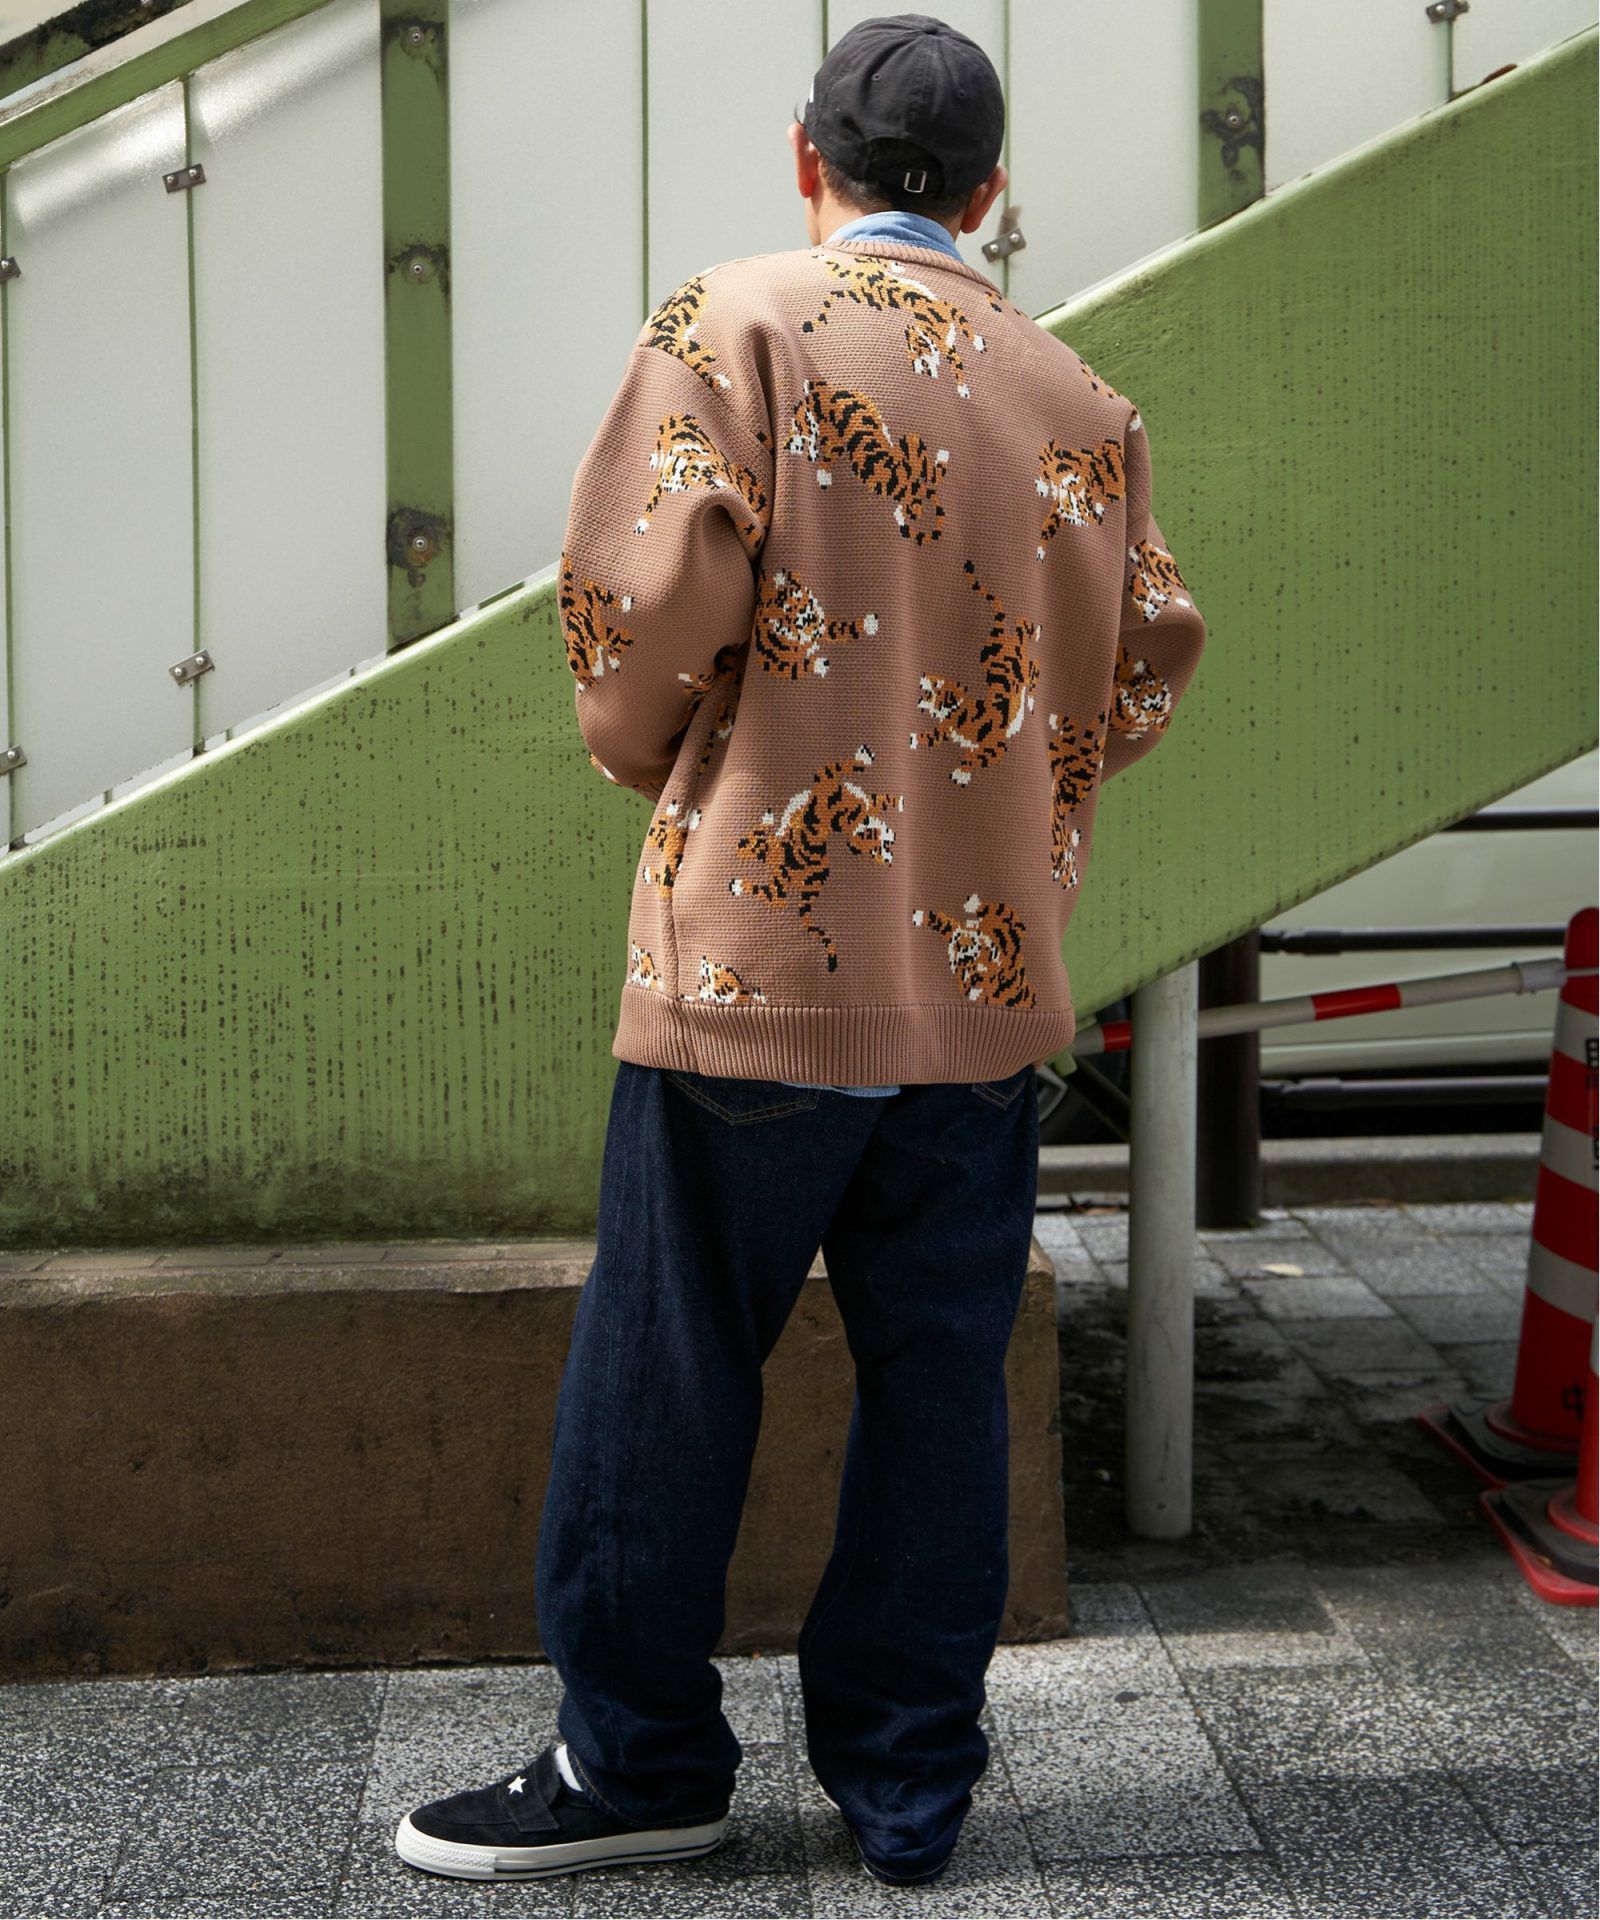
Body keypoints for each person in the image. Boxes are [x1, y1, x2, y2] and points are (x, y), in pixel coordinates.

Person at [396, 10, 1206, 1891]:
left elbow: (637, 612)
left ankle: (640, 1765)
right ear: (989, 195)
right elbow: (1146, 655)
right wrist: (1008, 795)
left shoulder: (738, 326)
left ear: (805, 160)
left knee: (671, 1367)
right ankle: (910, 1785)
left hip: (759, 962)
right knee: (940, 1385)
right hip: (984, 983)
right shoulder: (1076, 395)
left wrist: (676, 762)